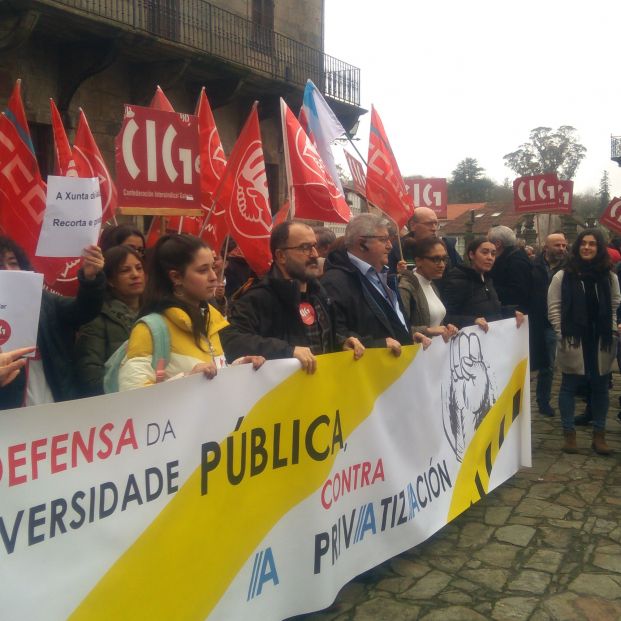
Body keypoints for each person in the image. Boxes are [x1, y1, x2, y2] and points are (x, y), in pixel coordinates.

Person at [119, 234, 262, 390]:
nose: (214, 277)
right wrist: (188, 379)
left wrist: (239, 367)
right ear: (176, 277)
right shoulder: (150, 329)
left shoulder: (211, 319)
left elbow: (211, 373)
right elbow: (132, 395)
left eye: (213, 267)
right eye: (203, 270)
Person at [220, 221, 364, 374]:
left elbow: (326, 337)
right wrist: (287, 351)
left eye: (314, 246)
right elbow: (231, 342)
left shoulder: (319, 292)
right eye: (305, 248)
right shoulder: (258, 297)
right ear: (281, 256)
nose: (315, 254)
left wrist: (343, 341)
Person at [0, 236, 105, 409]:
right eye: (1, 266)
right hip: (12, 418)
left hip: (55, 406)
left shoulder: (44, 301)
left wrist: (91, 280)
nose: (9, 270)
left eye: (13, 263)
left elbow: (83, 310)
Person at [548, 229, 621, 455]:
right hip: (574, 338)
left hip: (600, 339)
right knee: (569, 385)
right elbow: (554, 307)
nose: (587, 247)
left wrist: (611, 329)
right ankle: (569, 434)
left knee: (600, 387)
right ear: (577, 247)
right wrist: (561, 333)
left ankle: (599, 435)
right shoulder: (563, 275)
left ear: (599, 248)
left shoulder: (609, 277)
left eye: (592, 244)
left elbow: (614, 303)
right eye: (583, 243)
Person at [321, 213, 430, 357]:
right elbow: (337, 337)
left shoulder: (384, 275)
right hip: (369, 373)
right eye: (383, 240)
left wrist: (409, 336)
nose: (390, 246)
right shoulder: (335, 281)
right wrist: (376, 344)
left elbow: (387, 323)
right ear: (361, 244)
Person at [75, 245, 146, 396]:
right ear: (111, 281)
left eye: (139, 268)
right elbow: (91, 377)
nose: (135, 275)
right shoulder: (97, 318)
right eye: (125, 270)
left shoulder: (156, 313)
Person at [442, 237, 525, 332]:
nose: (490, 257)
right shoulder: (458, 280)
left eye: (493, 254)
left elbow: (491, 309)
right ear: (471, 254)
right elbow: (446, 318)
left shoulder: (488, 279)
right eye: (485, 252)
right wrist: (473, 321)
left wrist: (511, 312)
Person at [530, 232, 568, 417]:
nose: (561, 249)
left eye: (563, 245)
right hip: (535, 320)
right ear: (546, 247)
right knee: (530, 361)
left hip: (554, 322)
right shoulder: (533, 266)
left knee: (549, 365)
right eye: (557, 245)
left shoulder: (569, 268)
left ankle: (543, 400)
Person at [398, 237, 458, 341]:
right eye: (435, 259)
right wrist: (428, 331)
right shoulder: (406, 288)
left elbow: (437, 323)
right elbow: (398, 329)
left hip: (433, 353)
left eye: (444, 259)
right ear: (418, 261)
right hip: (416, 354)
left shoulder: (432, 285)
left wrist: (447, 328)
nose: (442, 265)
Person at [488, 225, 532, 314]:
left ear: (497, 244)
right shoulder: (511, 257)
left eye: (488, 242)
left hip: (515, 315)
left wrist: (488, 289)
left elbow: (518, 292)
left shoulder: (516, 261)